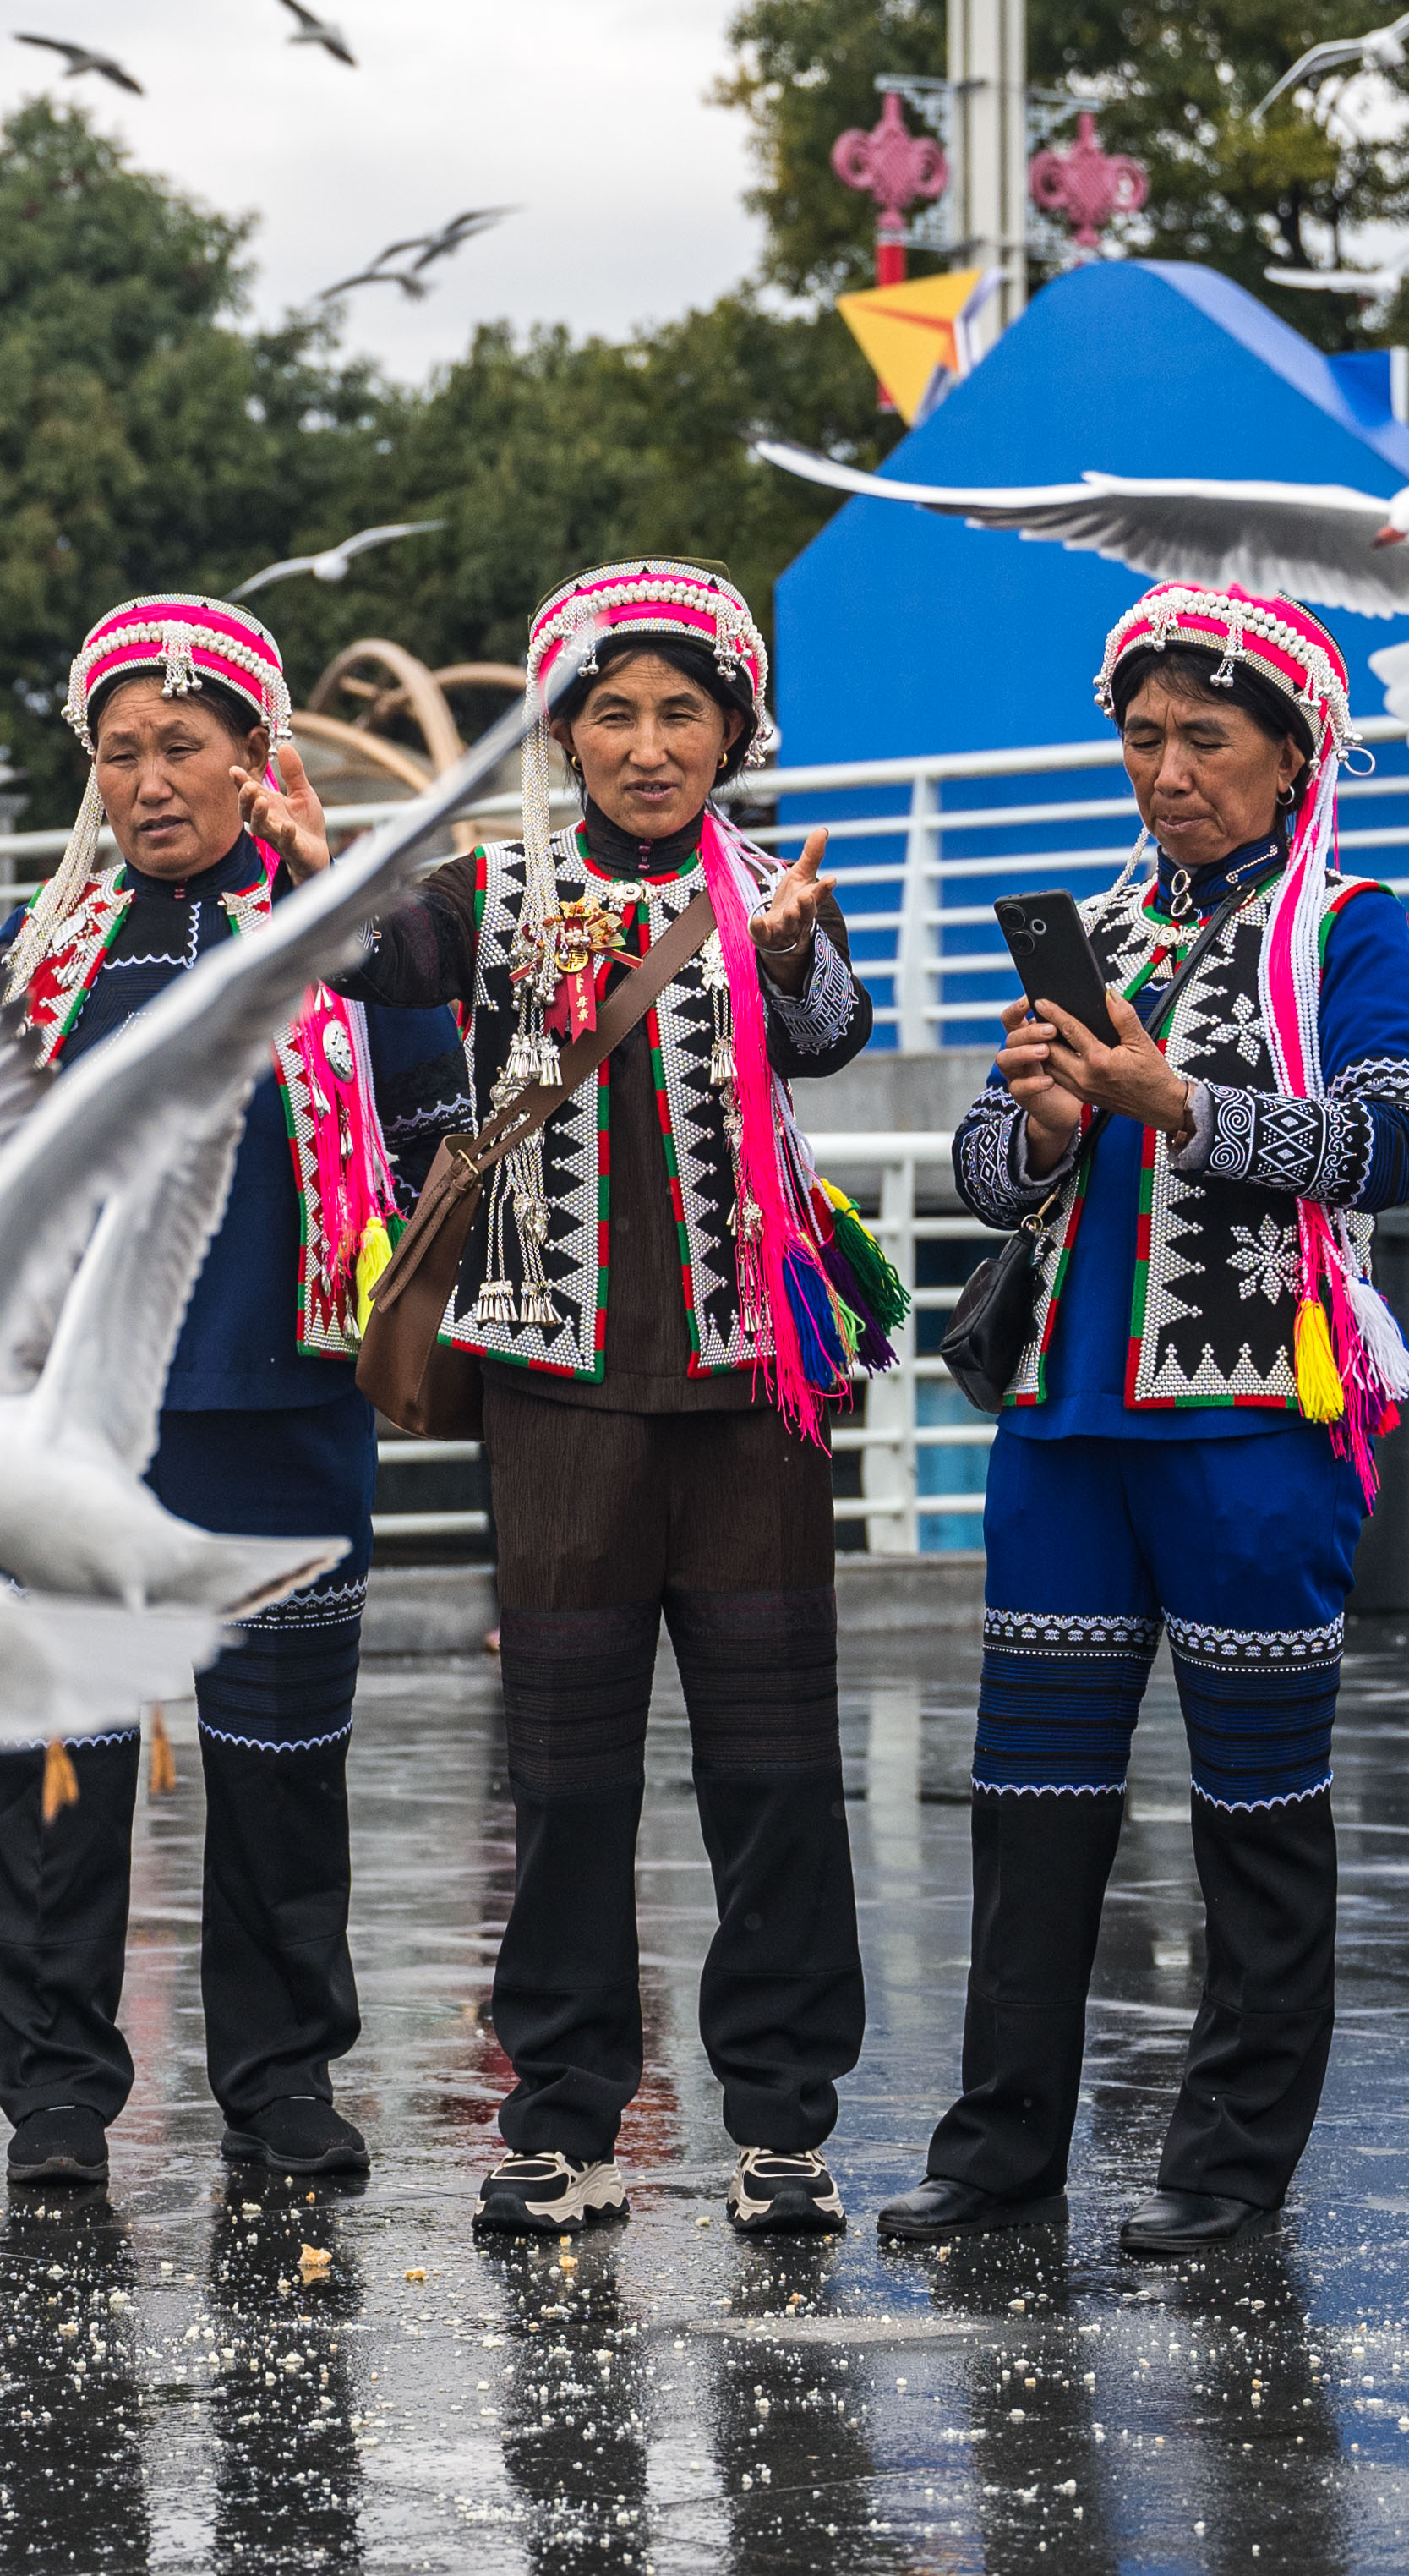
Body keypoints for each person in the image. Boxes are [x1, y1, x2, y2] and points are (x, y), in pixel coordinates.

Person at [329, 560, 900, 2239]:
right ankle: (563, 2119)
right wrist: (305, 862)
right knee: (566, 1779)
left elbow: (833, 1032)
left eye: (681, 714)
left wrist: (789, 958)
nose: (648, 746)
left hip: (753, 1382)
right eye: (615, 714)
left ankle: (782, 2122)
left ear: (733, 732)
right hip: (559, 1382)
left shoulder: (775, 892)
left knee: (775, 1773)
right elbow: (364, 961)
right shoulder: (489, 889)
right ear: (566, 732)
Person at [880, 587, 1409, 2258]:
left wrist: (1176, 1103)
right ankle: (998, 2155)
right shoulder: (1102, 932)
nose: (1168, 769)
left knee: (1258, 1809)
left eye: (1207, 738)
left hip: (1255, 1423)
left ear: (1291, 754)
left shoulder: (1349, 929)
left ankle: (1229, 2163)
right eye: (1143, 737)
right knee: (1029, 1806)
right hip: (1063, 1426)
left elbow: (1391, 1143)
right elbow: (985, 1172)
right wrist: (1049, 1128)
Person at [0, 593, 470, 2193]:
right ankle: (58, 2095)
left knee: (277, 1775)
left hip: (280, 1415)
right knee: (55, 1775)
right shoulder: (34, 963)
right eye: (119, 751)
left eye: (181, 744)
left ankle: (280, 2079)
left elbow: (443, 1140)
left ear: (256, 755)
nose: (148, 780)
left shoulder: (351, 943)